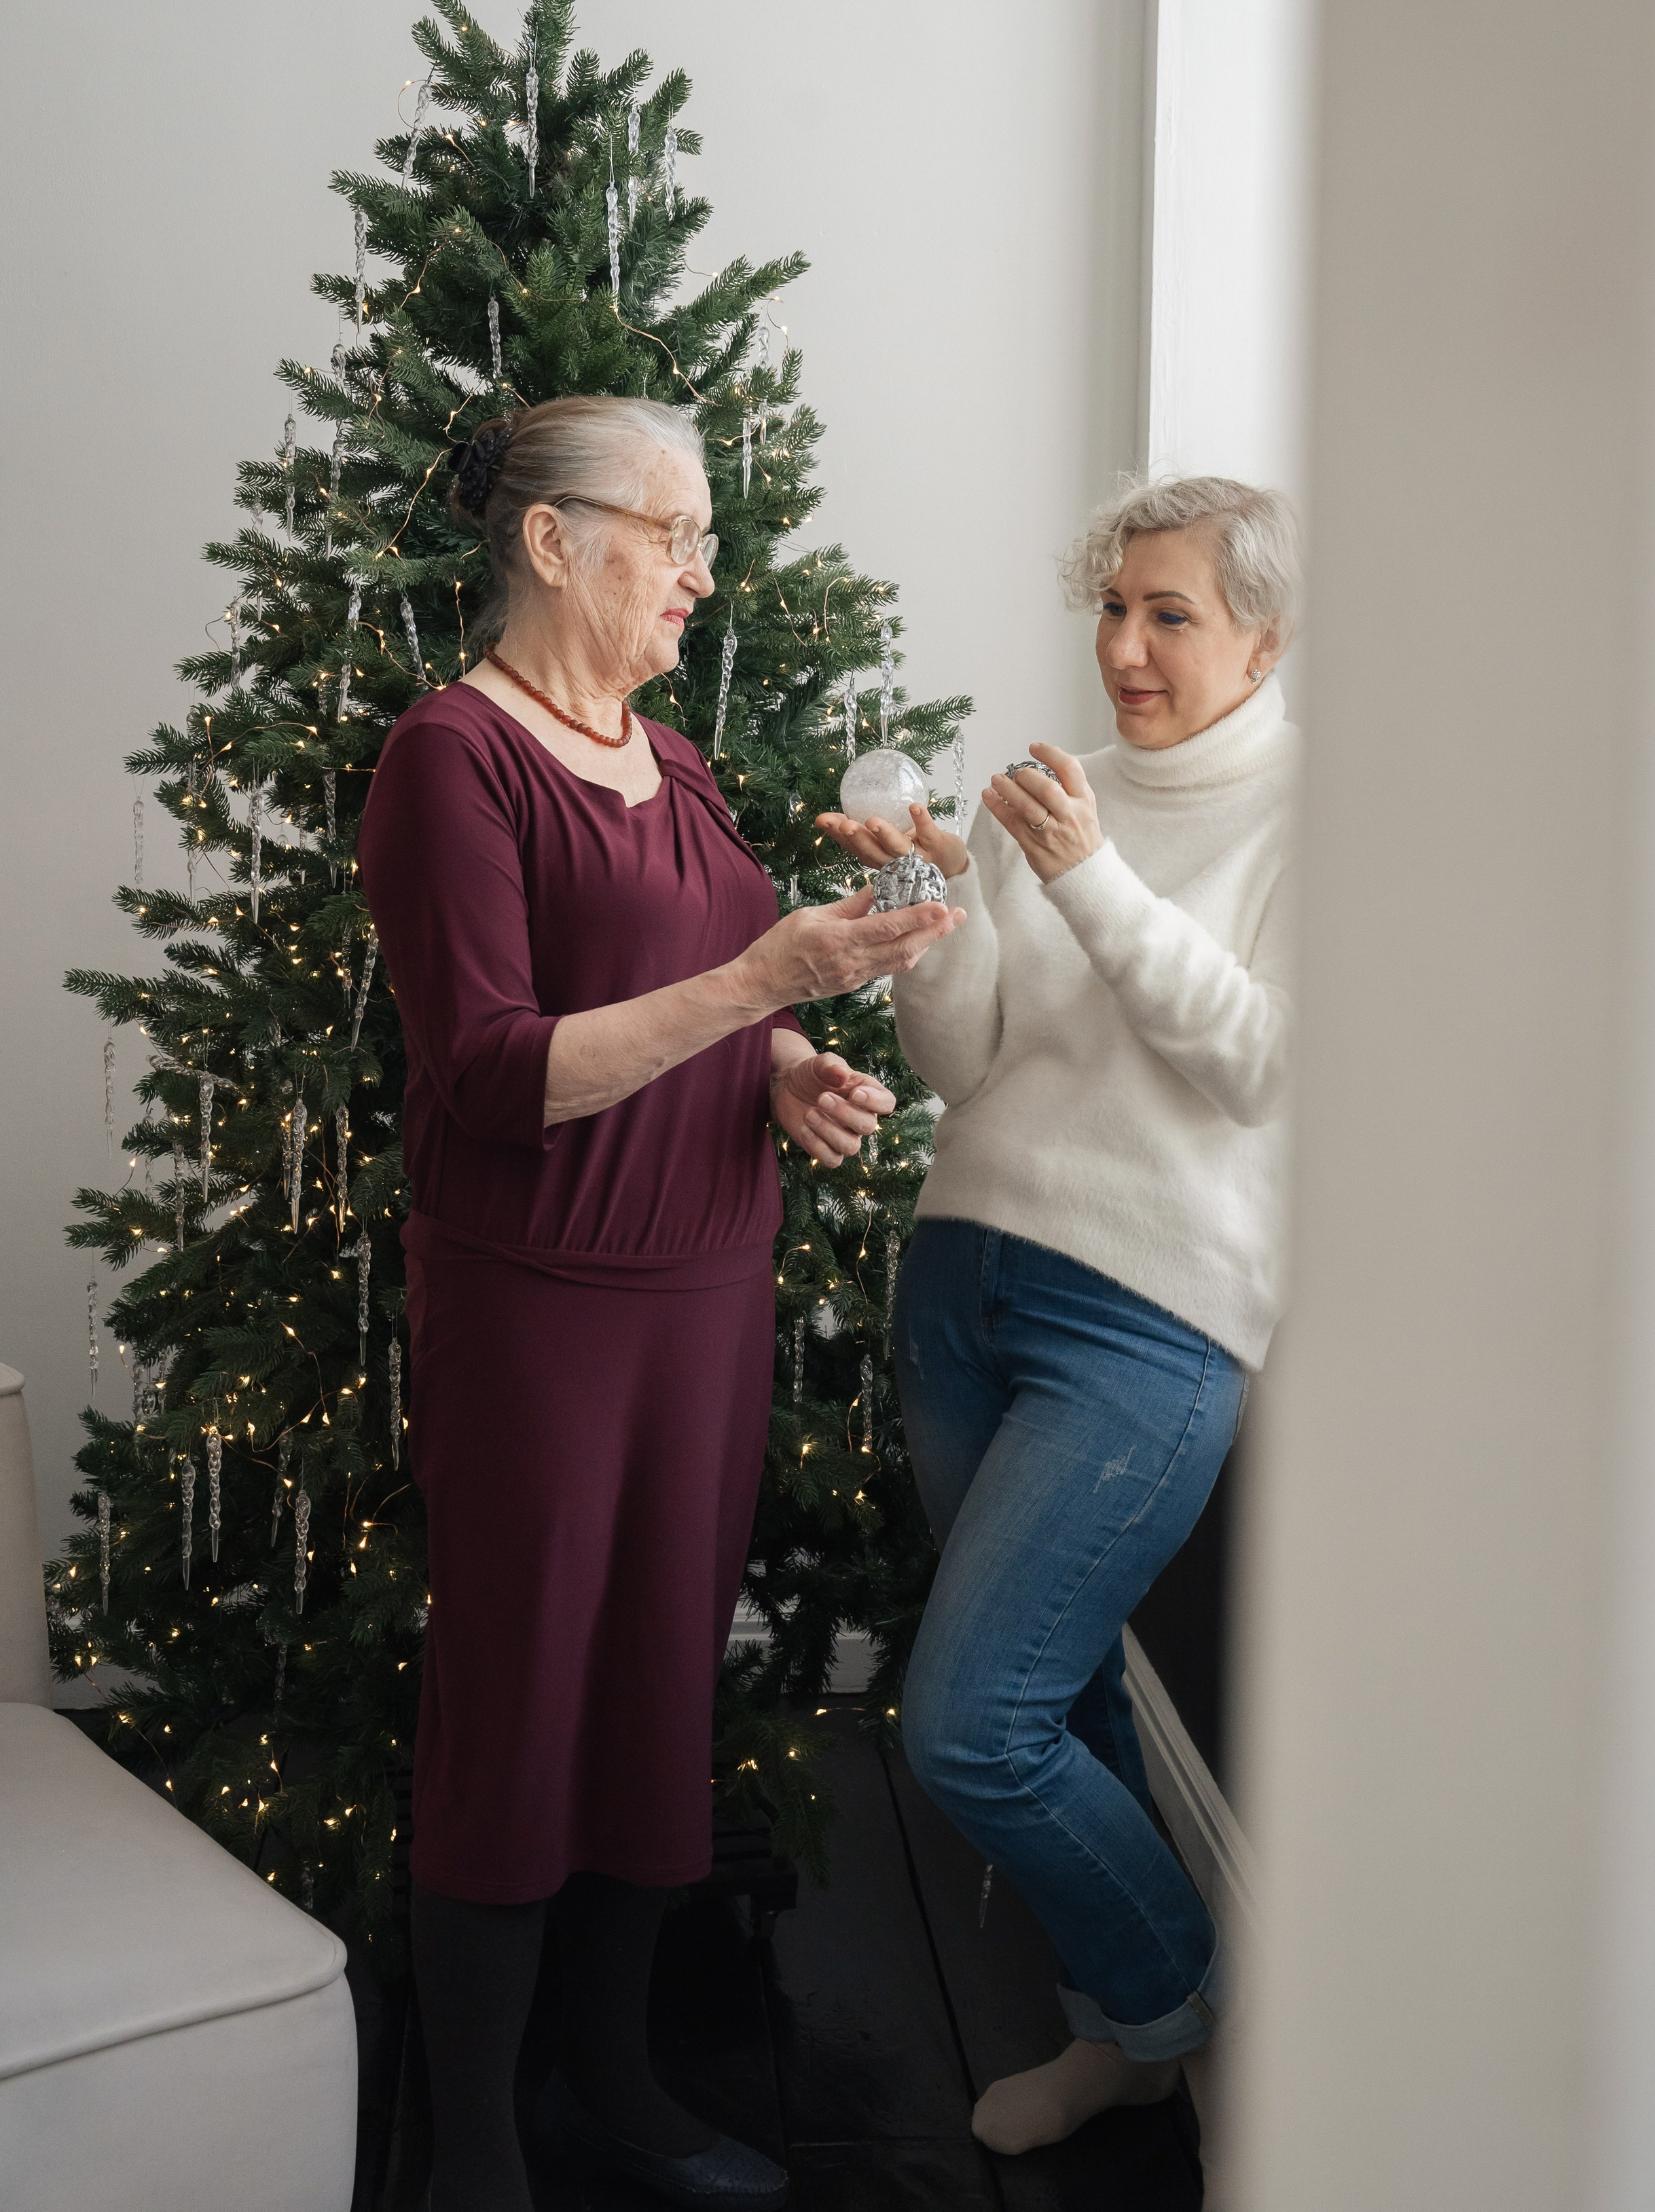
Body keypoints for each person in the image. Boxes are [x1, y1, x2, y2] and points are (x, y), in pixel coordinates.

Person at [358, 395, 960, 2212]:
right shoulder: (451, 762)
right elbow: (491, 1074)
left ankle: (613, 2077)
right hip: (543, 1307)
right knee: (519, 1695)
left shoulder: (675, 759)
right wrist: (760, 980)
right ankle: (470, 2139)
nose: (707, 568)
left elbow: (700, 994)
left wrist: (781, 1055)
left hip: (705, 1285)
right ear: (552, 542)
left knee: (650, 1695)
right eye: (672, 531)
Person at [818, 473, 1300, 2188]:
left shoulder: (1317, 811)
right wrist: (940, 919)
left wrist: (1086, 875)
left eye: (1168, 613)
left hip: (1149, 1323)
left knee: (965, 1720)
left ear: (1263, 631)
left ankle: (1190, 2001)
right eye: (1111, 607)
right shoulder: (1063, 797)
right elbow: (969, 1064)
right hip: (964, 1279)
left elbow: (1256, 1061)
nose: (1124, 647)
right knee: (1056, 1695)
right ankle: (1130, 2037)